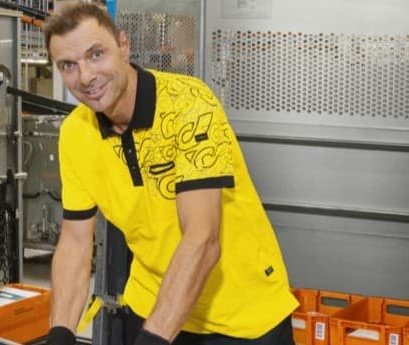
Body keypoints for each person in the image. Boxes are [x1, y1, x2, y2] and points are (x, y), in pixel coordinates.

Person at [42, 2, 298, 345]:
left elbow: (202, 238)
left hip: (240, 314)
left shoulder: (189, 105)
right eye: (68, 65)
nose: (85, 76)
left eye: (96, 55)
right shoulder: (76, 133)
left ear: (123, 46)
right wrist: (60, 333)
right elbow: (75, 241)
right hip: (152, 305)